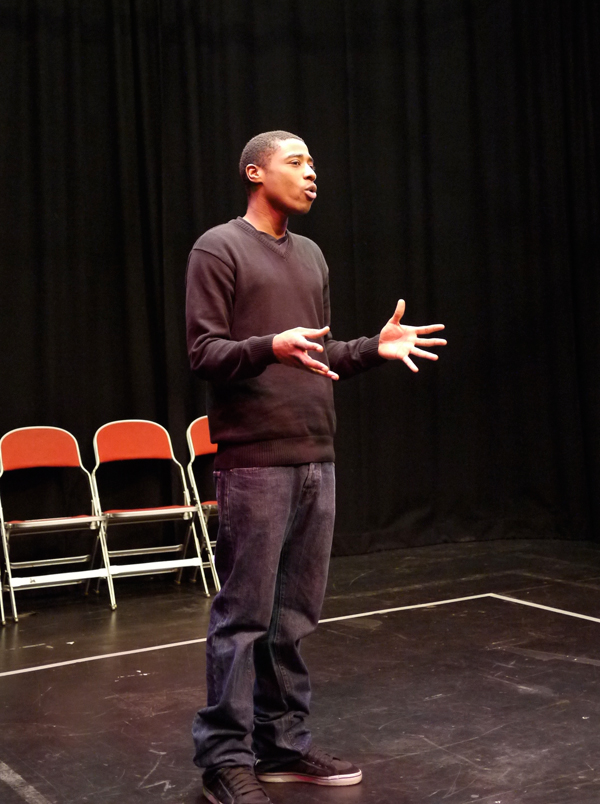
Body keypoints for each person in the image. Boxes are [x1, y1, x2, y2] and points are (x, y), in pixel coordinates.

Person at [186, 130, 446, 804]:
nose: (312, 174)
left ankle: (282, 747)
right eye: (296, 162)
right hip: (255, 462)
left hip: (316, 457)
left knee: (294, 618)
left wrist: (369, 348)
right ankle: (224, 759)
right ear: (254, 171)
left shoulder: (312, 256)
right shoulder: (219, 248)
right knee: (244, 617)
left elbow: (319, 358)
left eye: (313, 164)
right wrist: (268, 343)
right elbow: (205, 352)